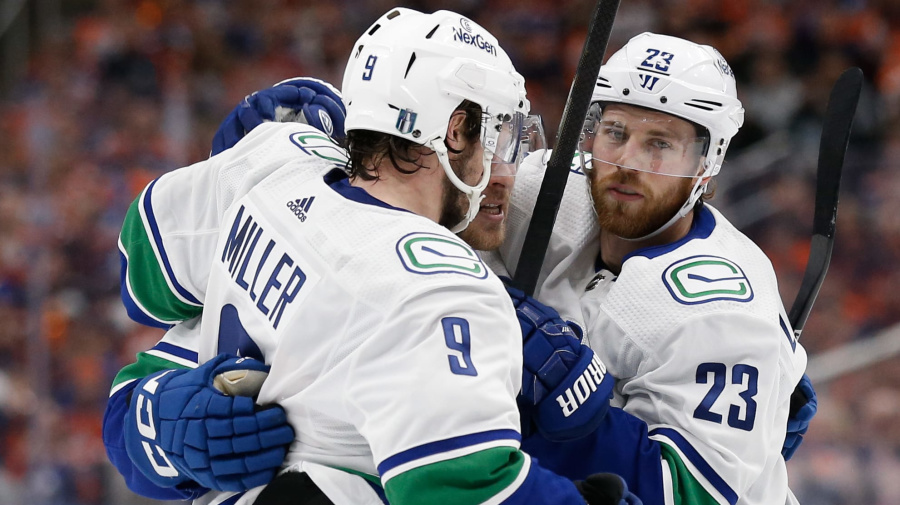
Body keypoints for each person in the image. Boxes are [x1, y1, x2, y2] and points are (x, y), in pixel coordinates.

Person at [102, 7, 637, 505]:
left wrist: (152, 418)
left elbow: (139, 271)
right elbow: (458, 488)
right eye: (499, 135)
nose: (507, 166)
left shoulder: (274, 159)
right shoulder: (442, 289)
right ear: (454, 129)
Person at [491, 32, 812, 504]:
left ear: (708, 162)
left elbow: (692, 493)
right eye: (616, 132)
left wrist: (568, 406)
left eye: (659, 143)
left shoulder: (724, 314)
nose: (626, 161)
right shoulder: (546, 191)